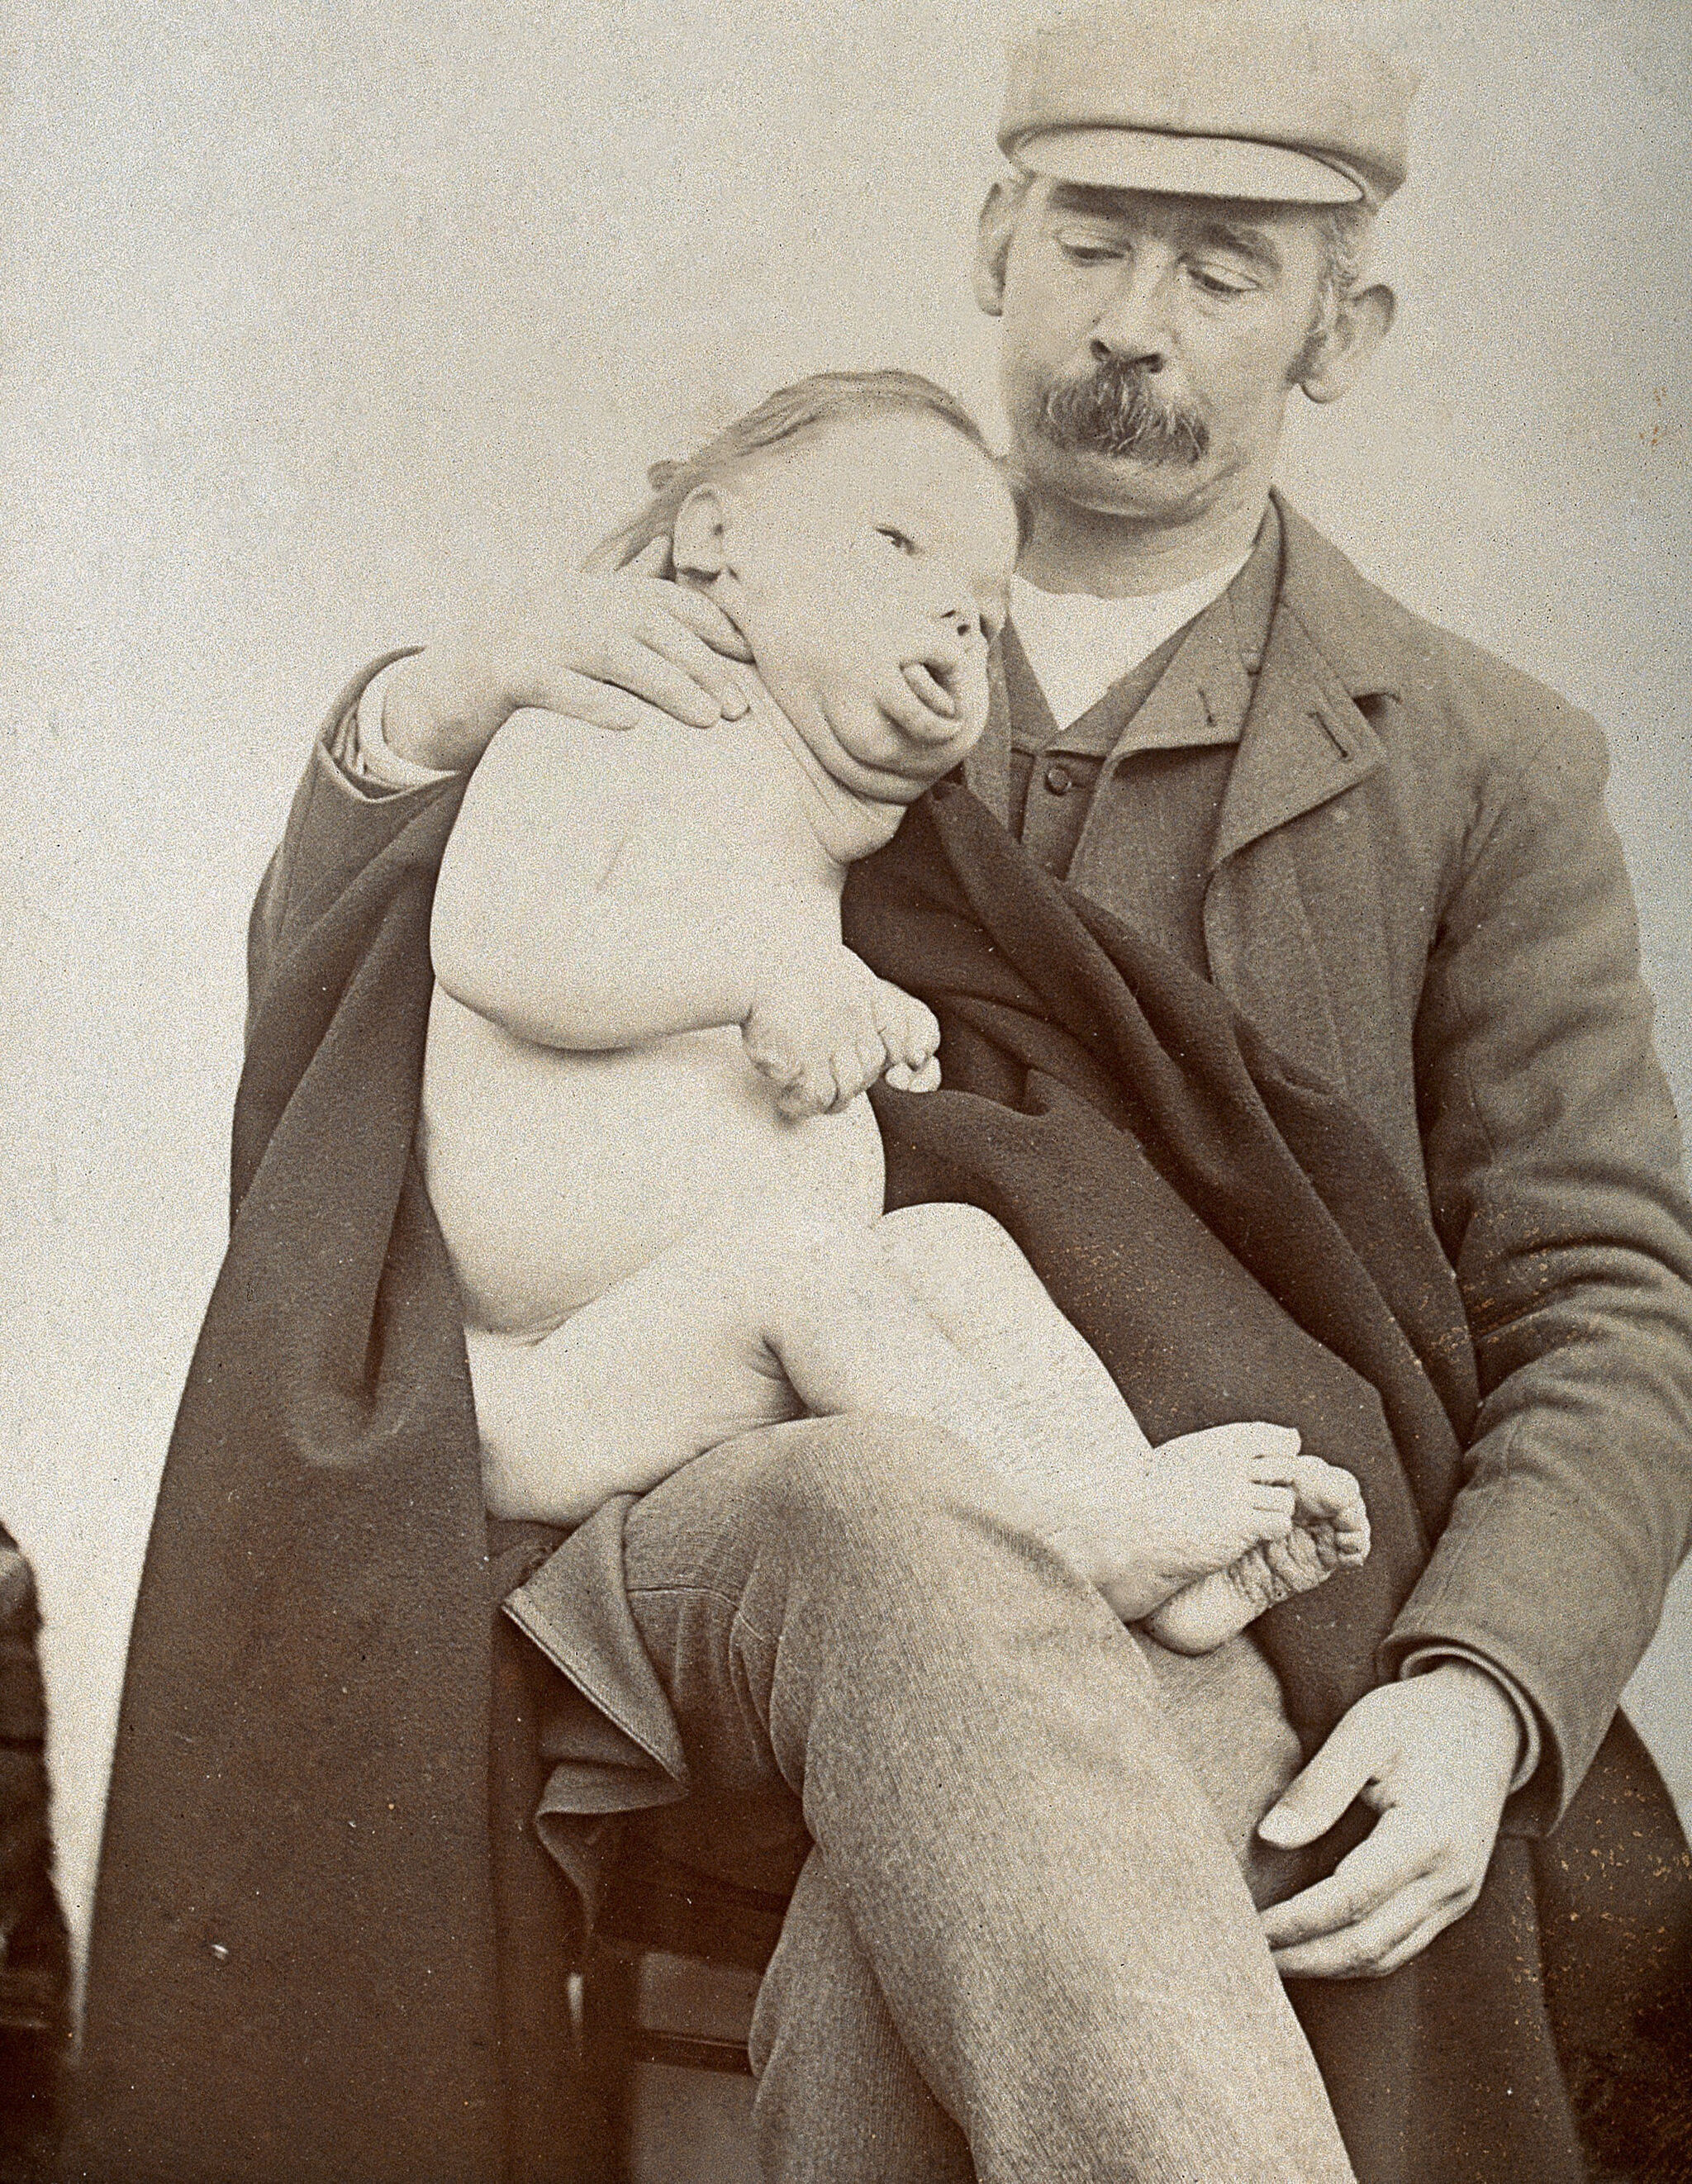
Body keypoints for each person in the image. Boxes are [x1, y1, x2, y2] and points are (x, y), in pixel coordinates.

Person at [73, 5, 1692, 2182]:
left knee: (1045, 1740)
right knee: (900, 1518)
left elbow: (1608, 1302)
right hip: (695, 1503)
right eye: (1096, 242)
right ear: (994, 237)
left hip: (1193, 1568)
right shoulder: (753, 613)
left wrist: (1481, 1681)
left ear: (1346, 325)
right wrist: (426, 708)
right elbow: (358, 1040)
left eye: (1225, 271)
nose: (1136, 325)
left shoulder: (1478, 771)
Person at [427, 366, 1369, 1655]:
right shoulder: (612, 715)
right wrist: (767, 979)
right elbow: (494, 938)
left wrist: (860, 1019)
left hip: (734, 1337)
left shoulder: (809, 809)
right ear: (715, 542)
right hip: (552, 1386)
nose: (953, 617)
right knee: (808, 1268)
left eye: (986, 619)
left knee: (952, 1248)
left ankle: (1133, 1524)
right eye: (896, 543)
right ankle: (1077, 1546)